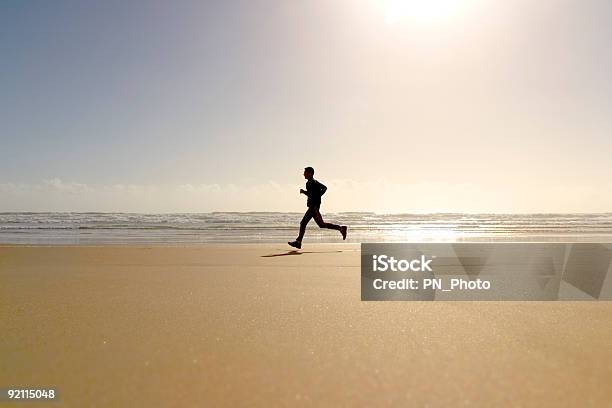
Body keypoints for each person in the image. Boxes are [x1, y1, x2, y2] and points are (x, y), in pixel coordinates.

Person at [288, 167, 347, 249]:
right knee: (321, 224)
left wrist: (317, 197)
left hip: (313, 207)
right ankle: (341, 228)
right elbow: (318, 191)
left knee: (303, 223)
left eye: (305, 173)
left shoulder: (311, 183)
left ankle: (298, 242)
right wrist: (305, 192)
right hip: (314, 207)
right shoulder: (312, 182)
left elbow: (322, 189)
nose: (304, 174)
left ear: (310, 173)